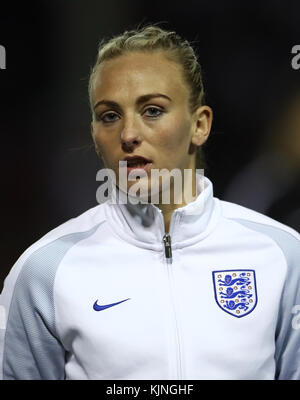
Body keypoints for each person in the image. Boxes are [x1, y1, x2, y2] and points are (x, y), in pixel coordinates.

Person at [0, 25, 300, 380]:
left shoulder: (282, 255)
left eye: (153, 110)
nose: (128, 134)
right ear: (95, 135)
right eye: (109, 116)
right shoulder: (45, 271)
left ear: (200, 124)